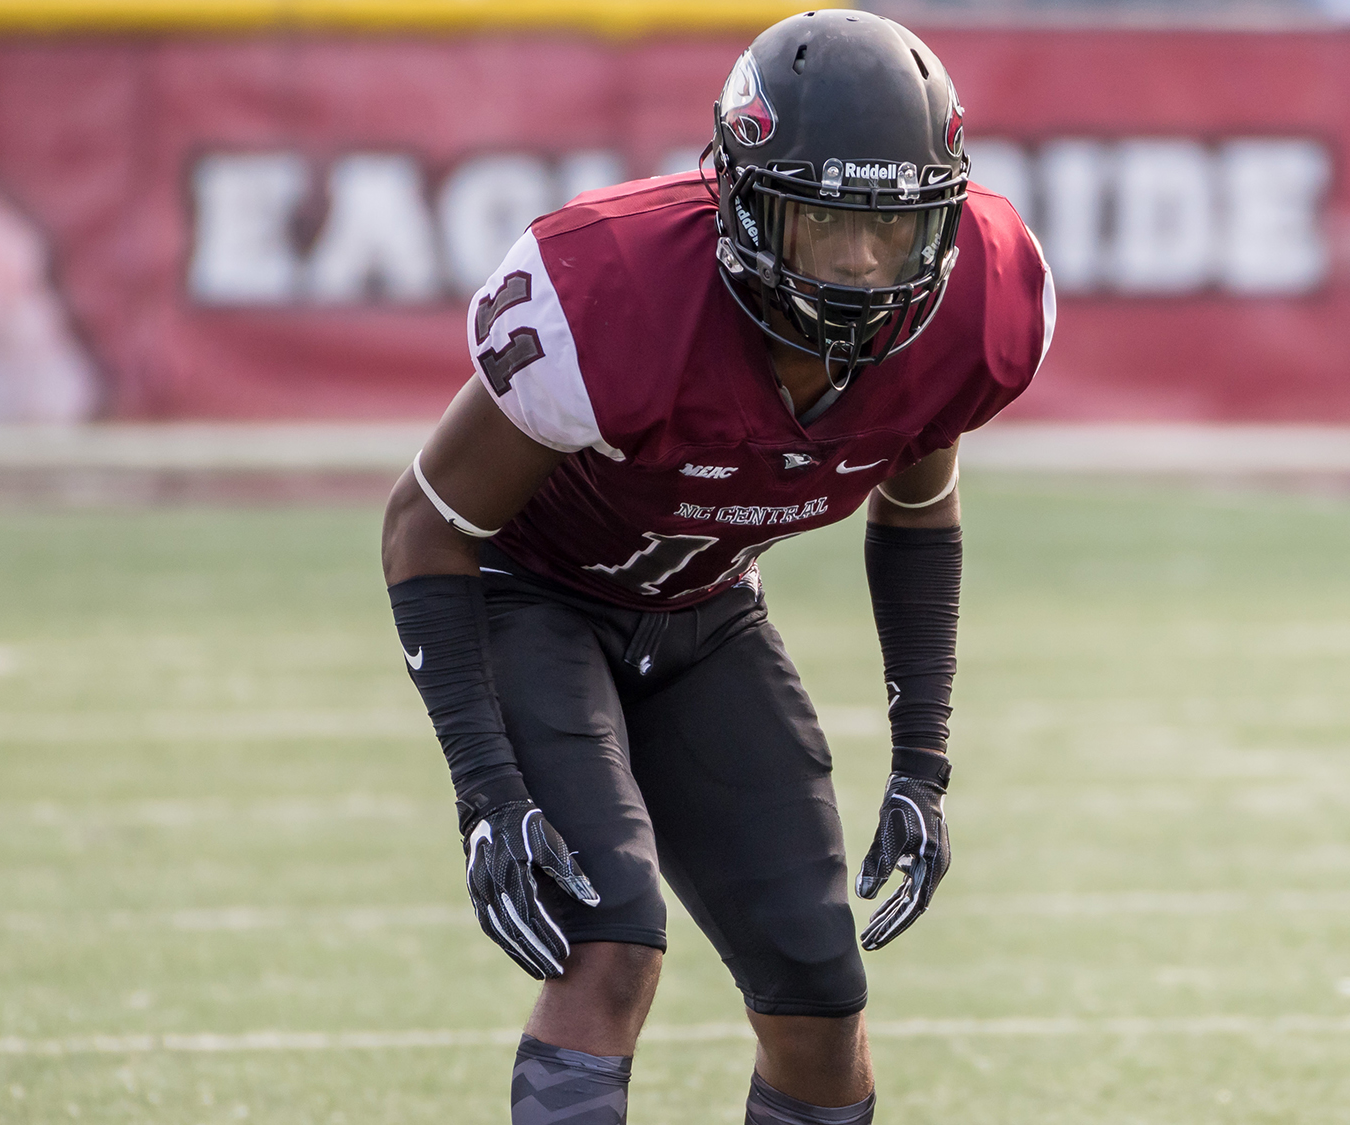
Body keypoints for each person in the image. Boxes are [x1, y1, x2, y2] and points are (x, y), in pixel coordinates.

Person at [379, 11, 1054, 1125]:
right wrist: (485, 791)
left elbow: (919, 508)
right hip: (533, 599)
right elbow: (425, 523)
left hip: (702, 610)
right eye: (819, 222)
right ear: (740, 200)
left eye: (886, 230)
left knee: (820, 997)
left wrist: (922, 764)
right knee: (609, 944)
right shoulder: (611, 294)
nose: (854, 264)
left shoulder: (975, 305)